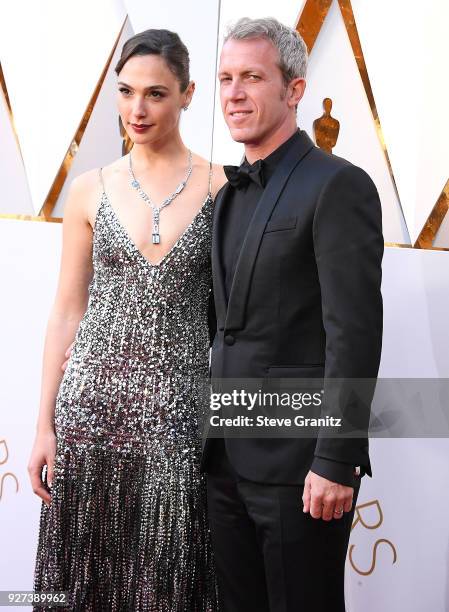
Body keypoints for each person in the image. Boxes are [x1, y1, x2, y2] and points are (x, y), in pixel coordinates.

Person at [28, 29, 225, 611]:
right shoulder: (89, 189)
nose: (137, 110)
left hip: (179, 415)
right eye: (127, 91)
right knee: (82, 584)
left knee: (171, 584)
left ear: (188, 95)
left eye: (157, 94)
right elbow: (67, 309)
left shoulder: (224, 189)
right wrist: (43, 423)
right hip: (91, 411)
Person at [202, 17, 383, 612]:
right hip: (225, 458)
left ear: (295, 90)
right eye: (226, 78)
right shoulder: (227, 195)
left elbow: (353, 334)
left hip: (301, 469)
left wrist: (337, 457)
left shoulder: (339, 186)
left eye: (252, 77)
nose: (234, 93)